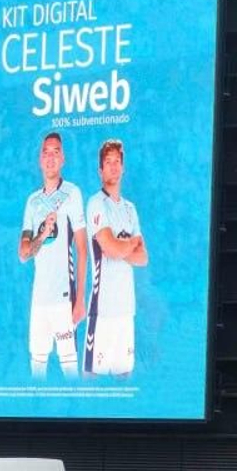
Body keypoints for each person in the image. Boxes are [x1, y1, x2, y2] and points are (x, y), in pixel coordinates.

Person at [19, 132, 87, 378]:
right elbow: (23, 254)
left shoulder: (72, 193)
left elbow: (82, 249)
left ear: (63, 158)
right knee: (37, 368)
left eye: (55, 152)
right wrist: (43, 233)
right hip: (39, 298)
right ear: (40, 159)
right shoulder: (32, 202)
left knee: (70, 369)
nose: (50, 157)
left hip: (64, 297)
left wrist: (80, 299)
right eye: (46, 152)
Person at [84, 138, 147, 378]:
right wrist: (128, 244)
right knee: (93, 379)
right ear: (100, 170)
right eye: (108, 162)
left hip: (126, 308)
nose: (113, 166)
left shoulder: (130, 208)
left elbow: (143, 258)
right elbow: (110, 248)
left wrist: (121, 247)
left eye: (117, 161)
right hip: (103, 308)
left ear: (123, 167)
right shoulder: (96, 203)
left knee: (124, 377)